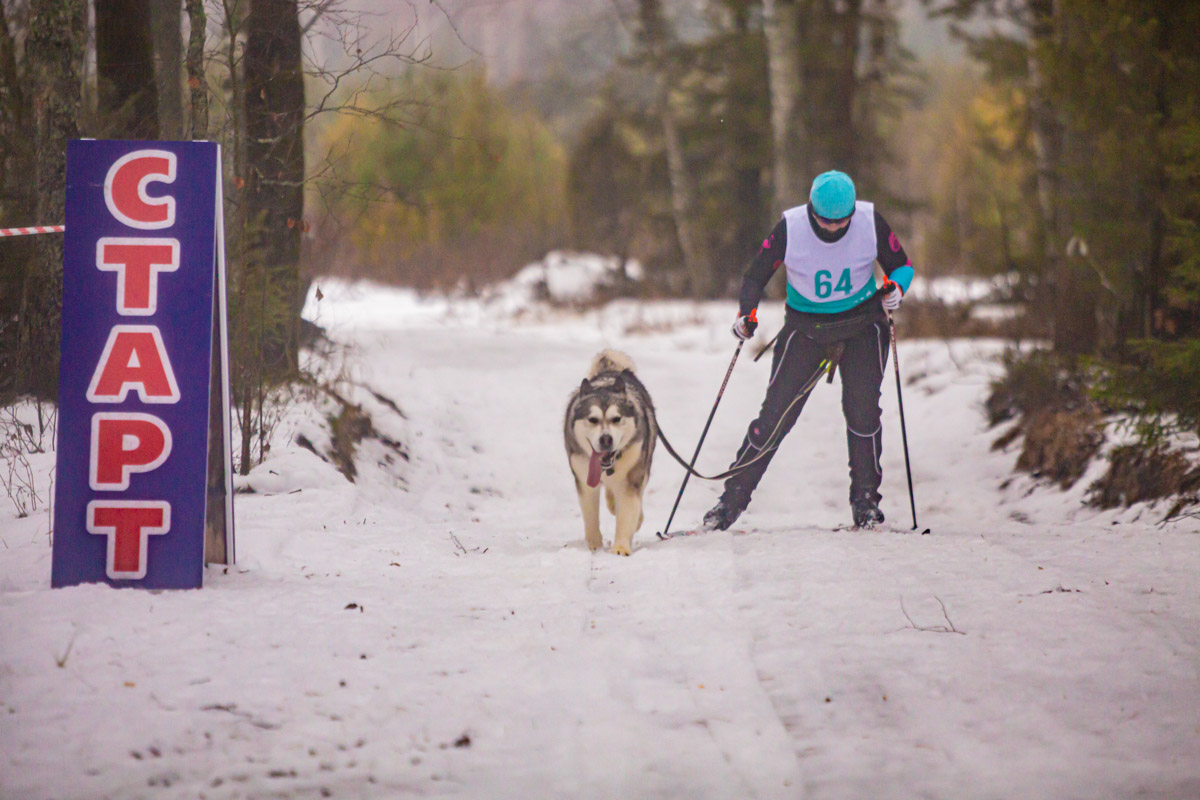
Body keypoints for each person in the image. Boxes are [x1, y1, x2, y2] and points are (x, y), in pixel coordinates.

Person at [702, 170, 914, 531]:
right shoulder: (791, 227)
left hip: (863, 326)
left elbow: (902, 267)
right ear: (811, 209)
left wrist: (896, 288)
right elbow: (755, 276)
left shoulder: (868, 220)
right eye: (824, 221)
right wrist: (746, 314)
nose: (832, 228)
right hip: (806, 329)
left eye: (840, 222)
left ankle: (866, 504)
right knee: (774, 417)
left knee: (862, 413)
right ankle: (730, 502)